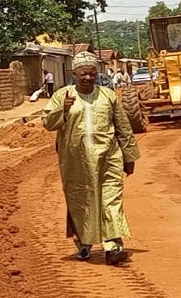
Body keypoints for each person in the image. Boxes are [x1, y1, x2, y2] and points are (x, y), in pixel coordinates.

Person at [42, 51, 141, 266]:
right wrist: (63, 110)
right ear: (74, 74)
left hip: (108, 157)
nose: (88, 78)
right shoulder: (62, 95)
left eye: (92, 74)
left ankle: (113, 246)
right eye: (83, 74)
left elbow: (123, 127)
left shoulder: (108, 96)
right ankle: (84, 244)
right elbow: (47, 123)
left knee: (111, 200)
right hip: (75, 161)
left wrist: (129, 156)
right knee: (81, 200)